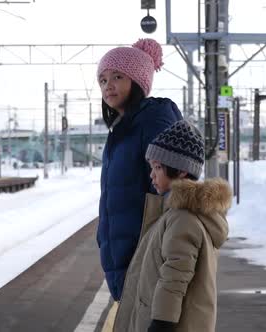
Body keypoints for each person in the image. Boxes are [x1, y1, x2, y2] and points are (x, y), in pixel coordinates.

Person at [96, 39, 183, 330]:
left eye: (118, 77)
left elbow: (172, 183)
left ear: (139, 80)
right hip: (125, 248)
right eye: (103, 79)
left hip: (144, 248)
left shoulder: (153, 119)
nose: (108, 85)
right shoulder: (122, 130)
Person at [113, 120, 231, 332]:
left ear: (182, 171)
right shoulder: (179, 213)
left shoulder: (182, 218)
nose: (152, 175)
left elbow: (175, 277)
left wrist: (161, 324)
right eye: (152, 167)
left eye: (158, 167)